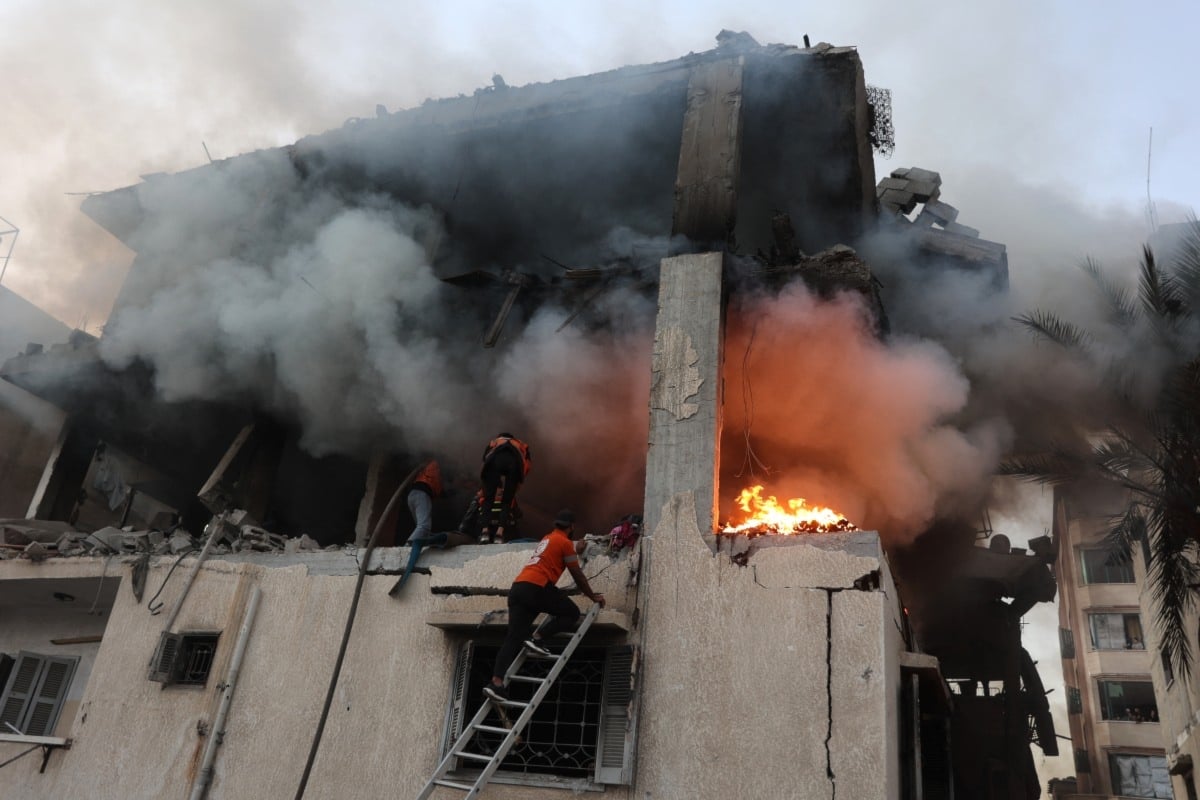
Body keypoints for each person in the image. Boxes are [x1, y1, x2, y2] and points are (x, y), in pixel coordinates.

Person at [483, 510, 605, 702]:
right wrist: (593, 596)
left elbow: (558, 555)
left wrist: (576, 551)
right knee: (571, 613)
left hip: (518, 588)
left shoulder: (548, 538)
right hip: (537, 587)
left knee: (513, 637)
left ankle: (496, 683)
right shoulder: (564, 542)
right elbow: (576, 574)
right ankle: (538, 637)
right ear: (571, 527)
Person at [477, 433, 531, 543]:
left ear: (500, 437)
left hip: (494, 461)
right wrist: (516, 484)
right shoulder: (520, 445)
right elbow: (527, 466)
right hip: (514, 463)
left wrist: (488, 486)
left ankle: (485, 533)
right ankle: (499, 534)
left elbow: (485, 461)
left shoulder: (494, 443)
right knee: (507, 501)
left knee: (488, 499)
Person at [405, 459, 443, 545]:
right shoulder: (435, 466)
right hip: (422, 494)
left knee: (422, 529)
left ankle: (415, 546)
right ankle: (407, 547)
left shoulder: (426, 467)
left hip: (412, 495)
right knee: (424, 527)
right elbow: (442, 490)